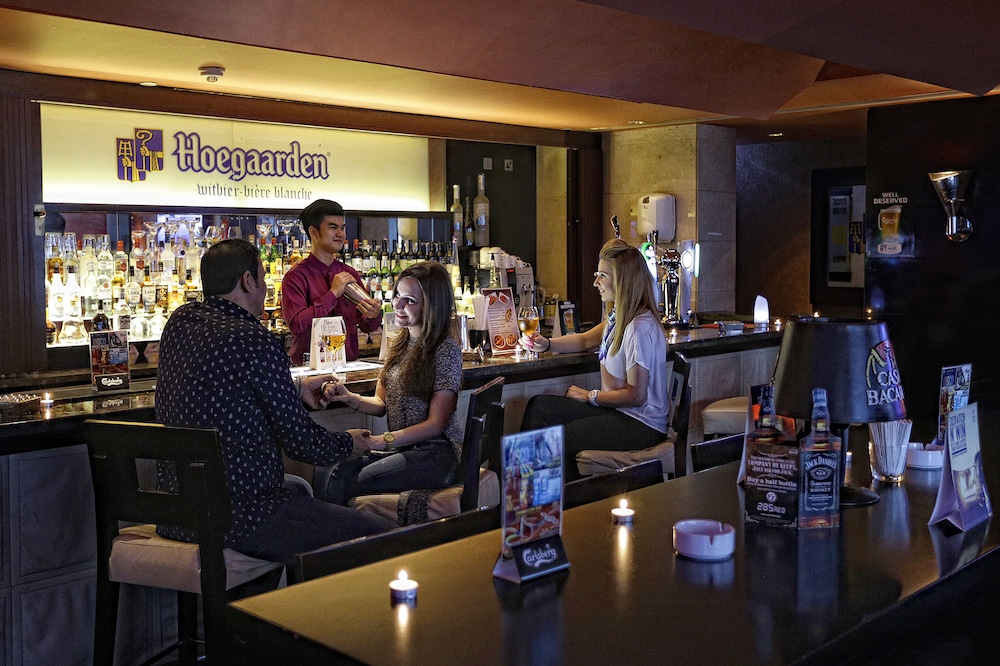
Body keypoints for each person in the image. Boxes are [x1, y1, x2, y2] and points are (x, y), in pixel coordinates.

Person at [155, 238, 396, 564]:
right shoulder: (254, 339)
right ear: (247, 280)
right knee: (384, 537)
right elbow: (301, 443)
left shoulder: (180, 322)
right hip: (240, 515)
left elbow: (221, 390)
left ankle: (261, 595)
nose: (267, 288)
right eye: (264, 277)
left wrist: (293, 388)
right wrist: (348, 443)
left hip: (178, 513)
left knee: (299, 494)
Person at [519, 239, 669, 481]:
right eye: (596, 275)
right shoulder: (619, 317)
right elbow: (585, 339)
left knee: (559, 438)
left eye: (602, 276)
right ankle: (528, 495)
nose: (595, 282)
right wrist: (546, 344)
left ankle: (568, 500)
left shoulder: (638, 327)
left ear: (623, 281)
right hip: (620, 412)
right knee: (539, 407)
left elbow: (636, 396)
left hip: (641, 423)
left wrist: (590, 396)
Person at [323, 261, 463, 500]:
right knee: (331, 469)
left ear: (432, 306)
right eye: (397, 295)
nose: (397, 304)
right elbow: (381, 404)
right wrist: (349, 397)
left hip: (436, 454)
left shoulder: (445, 349)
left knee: (344, 480)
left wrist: (382, 440)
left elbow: (436, 425)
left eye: (410, 300)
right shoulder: (400, 343)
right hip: (403, 449)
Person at [281, 199, 382, 364]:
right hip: (311, 369)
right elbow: (298, 327)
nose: (340, 234)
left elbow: (367, 326)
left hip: (348, 365)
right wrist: (333, 294)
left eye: (342, 228)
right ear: (314, 232)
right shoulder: (296, 277)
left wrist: (374, 314)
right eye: (333, 227)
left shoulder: (349, 273)